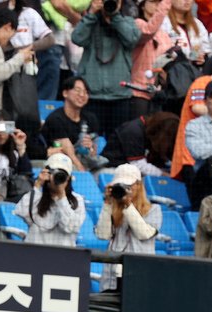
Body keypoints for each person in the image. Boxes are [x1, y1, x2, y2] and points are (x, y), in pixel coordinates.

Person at [71, 0, 140, 142]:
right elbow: (77, 38)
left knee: (118, 142)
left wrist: (115, 17)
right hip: (92, 95)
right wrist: (91, 14)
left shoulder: (127, 21)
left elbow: (132, 39)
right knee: (90, 142)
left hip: (119, 96)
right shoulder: (90, 22)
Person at [15, 152, 86, 245]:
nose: (58, 178)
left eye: (62, 175)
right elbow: (22, 212)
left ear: (68, 178)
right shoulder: (36, 196)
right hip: (35, 253)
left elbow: (69, 227)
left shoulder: (77, 200)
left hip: (62, 255)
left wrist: (61, 197)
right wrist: (37, 185)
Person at [41, 76, 104, 172]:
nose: (82, 95)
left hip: (84, 161)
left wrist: (91, 147)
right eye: (77, 90)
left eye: (85, 92)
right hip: (60, 162)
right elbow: (68, 151)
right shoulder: (56, 119)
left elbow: (94, 152)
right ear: (65, 93)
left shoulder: (91, 118)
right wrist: (82, 172)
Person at [95, 163, 161, 253]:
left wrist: (128, 205)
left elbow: (144, 234)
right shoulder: (111, 208)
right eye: (121, 185)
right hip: (115, 264)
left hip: (139, 264)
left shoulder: (154, 209)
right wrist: (107, 203)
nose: (125, 189)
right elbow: (102, 235)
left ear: (138, 185)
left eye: (128, 186)